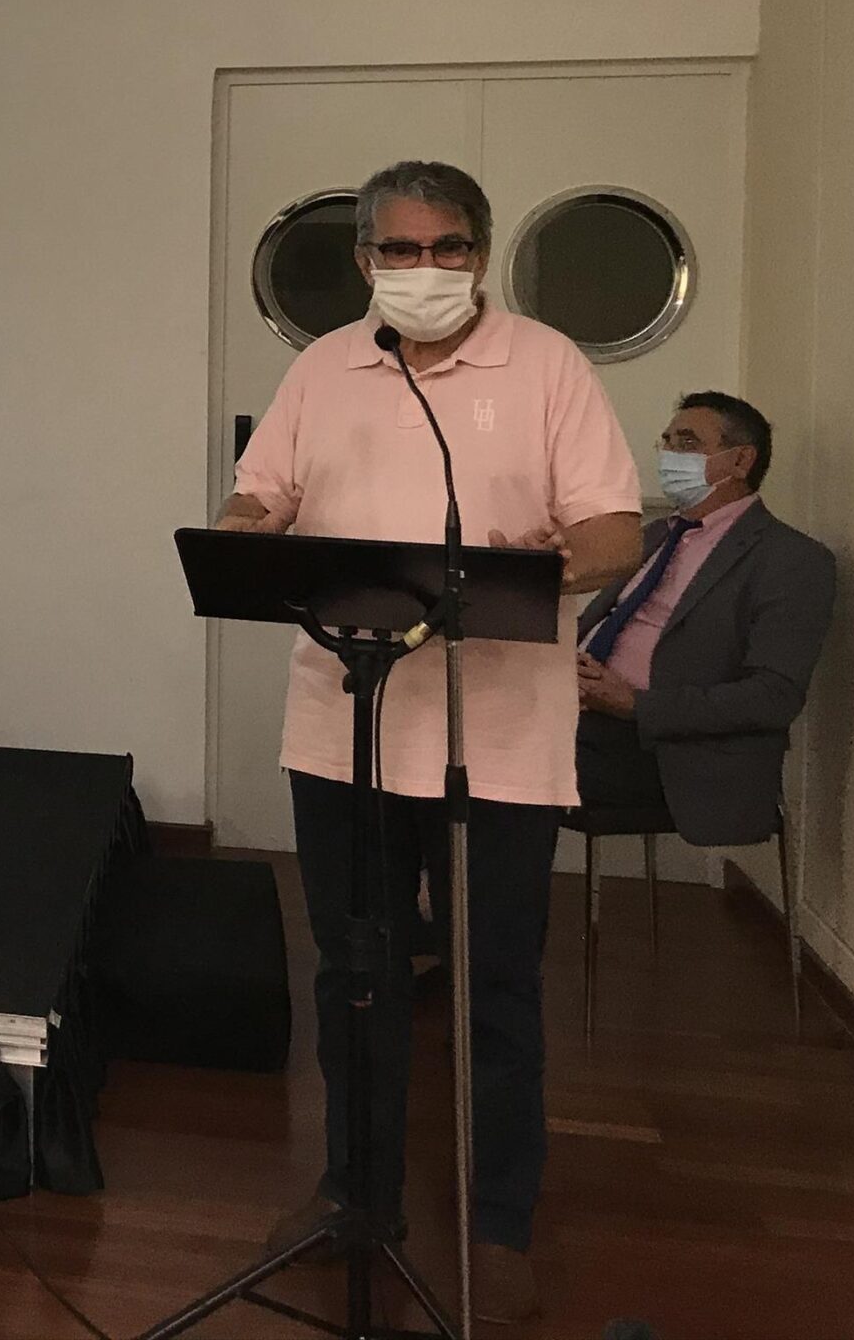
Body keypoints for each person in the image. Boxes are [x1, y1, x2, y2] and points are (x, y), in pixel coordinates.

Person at [220, 159, 643, 1325]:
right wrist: (242, 526)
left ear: (481, 254)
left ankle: (497, 1220)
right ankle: (354, 1192)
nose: (423, 269)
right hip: (345, 727)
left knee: (493, 983)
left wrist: (539, 567)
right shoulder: (323, 366)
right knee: (353, 975)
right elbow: (263, 495)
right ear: (365, 260)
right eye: (399, 251)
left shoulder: (546, 366)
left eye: (446, 247)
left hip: (495, 736)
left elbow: (614, 530)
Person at [575, 392, 836, 845]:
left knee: (505, 773)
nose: (670, 455)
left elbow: (773, 697)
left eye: (688, 443)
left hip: (671, 751)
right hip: (584, 719)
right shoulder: (656, 536)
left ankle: (491, 894)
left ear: (741, 460)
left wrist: (635, 704)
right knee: (471, 741)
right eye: (667, 441)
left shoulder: (791, 559)